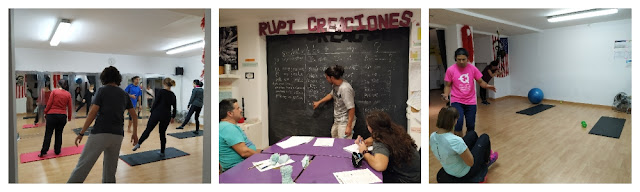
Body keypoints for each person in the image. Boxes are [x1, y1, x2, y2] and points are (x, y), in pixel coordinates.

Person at [68, 66, 138, 183]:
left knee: (83, 166)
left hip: (100, 133)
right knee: (110, 172)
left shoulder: (102, 90)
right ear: (118, 78)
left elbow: (92, 113)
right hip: (117, 136)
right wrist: (134, 134)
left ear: (104, 77)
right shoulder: (124, 94)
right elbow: (134, 116)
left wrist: (81, 133)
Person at [430, 106, 498, 180]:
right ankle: (487, 161)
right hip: (464, 172)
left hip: (449, 168)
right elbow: (471, 163)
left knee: (472, 134)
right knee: (485, 137)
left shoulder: (432, 136)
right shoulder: (455, 140)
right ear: (454, 121)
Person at [442, 48, 497, 137]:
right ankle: (459, 144)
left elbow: (481, 82)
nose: (461, 61)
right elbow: (448, 85)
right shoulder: (451, 70)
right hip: (457, 100)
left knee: (471, 125)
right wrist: (445, 95)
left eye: (464, 59)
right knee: (458, 123)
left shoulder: (472, 68)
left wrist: (487, 86)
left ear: (467, 59)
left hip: (471, 101)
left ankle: (469, 142)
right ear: (455, 58)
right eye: (459, 59)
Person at [354, 111, 421, 183]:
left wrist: (364, 152)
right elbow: (373, 139)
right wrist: (365, 142)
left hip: (406, 180)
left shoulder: (381, 142)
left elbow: (380, 166)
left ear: (371, 128)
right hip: (416, 174)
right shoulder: (394, 131)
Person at [132, 78, 177, 156]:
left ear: (164, 84)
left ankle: (138, 143)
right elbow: (175, 107)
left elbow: (155, 103)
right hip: (166, 115)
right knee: (162, 133)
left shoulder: (161, 92)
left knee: (148, 130)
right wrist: (173, 117)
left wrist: (151, 112)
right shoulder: (173, 94)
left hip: (157, 113)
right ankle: (162, 151)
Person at [313, 65, 356, 139]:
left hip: (345, 122)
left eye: (327, 77)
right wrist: (319, 102)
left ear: (332, 78)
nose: (326, 79)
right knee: (335, 142)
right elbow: (331, 95)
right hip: (337, 120)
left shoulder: (345, 89)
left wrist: (348, 127)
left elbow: (351, 108)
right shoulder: (335, 85)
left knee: (343, 146)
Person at [219, 98, 260, 171]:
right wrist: (261, 156)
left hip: (244, 164)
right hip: (239, 169)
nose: (241, 110)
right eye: (238, 108)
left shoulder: (227, 126)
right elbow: (244, 152)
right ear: (230, 113)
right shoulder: (228, 128)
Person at [38, 79, 73, 157]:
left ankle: (44, 151)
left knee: (48, 134)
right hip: (62, 117)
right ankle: (57, 151)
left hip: (52, 116)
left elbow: (49, 103)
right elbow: (70, 107)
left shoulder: (54, 92)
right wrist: (69, 117)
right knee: (59, 134)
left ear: (58, 85)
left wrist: (45, 112)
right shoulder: (68, 94)